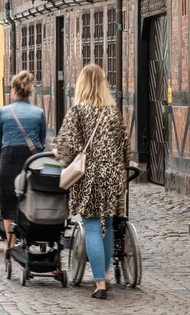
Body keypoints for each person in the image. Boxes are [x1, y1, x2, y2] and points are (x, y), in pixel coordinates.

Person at [54, 64, 130, 300]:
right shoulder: (113, 111)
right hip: (113, 175)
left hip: (89, 176)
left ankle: (99, 283)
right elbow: (125, 148)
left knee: (94, 227)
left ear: (82, 84)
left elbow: (66, 147)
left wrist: (60, 155)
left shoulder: (78, 111)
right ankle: (104, 275)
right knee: (107, 224)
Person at [0, 70, 47, 250]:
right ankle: (33, 235)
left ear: (13, 90)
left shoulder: (3, 112)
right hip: (32, 161)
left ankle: (10, 242)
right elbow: (42, 140)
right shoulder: (39, 113)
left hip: (9, 160)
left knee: (8, 200)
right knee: (32, 195)